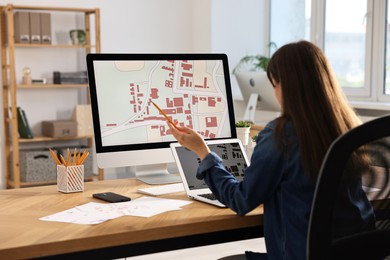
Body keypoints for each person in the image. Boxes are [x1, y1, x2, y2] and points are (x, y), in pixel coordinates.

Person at [168, 40, 375, 260]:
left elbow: (241, 200)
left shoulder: (281, 135)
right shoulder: (347, 127)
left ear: (288, 86)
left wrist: (203, 152)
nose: (275, 91)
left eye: (275, 84)